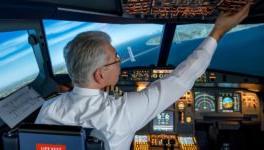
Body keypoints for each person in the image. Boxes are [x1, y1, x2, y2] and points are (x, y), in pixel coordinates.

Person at [35, 4, 250, 150]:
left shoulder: (49, 109)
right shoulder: (121, 112)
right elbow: (182, 78)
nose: (120, 61)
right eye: (115, 58)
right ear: (100, 75)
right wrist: (218, 32)